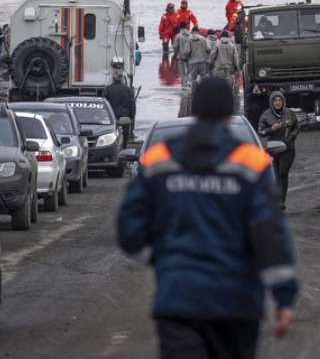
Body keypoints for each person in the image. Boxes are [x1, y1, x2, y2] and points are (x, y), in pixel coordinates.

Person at [117, 78, 298, 359]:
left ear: (195, 110)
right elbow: (269, 234)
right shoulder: (250, 163)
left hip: (178, 301)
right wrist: (284, 298)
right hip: (237, 303)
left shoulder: (160, 159)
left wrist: (160, 258)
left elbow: (129, 225)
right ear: (230, 113)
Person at [257, 91, 299, 211]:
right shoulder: (266, 115)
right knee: (275, 175)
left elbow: (297, 127)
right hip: (273, 149)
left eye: (280, 100)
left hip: (288, 148)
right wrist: (271, 129)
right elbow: (261, 131)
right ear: (271, 102)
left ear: (283, 101)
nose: (278, 103)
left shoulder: (289, 113)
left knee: (283, 173)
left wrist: (292, 136)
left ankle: (281, 200)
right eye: (275, 100)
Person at [102, 70, 136, 145]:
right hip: (125, 116)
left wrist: (104, 117)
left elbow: (104, 105)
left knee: (111, 135)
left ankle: (113, 146)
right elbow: (132, 105)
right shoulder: (128, 90)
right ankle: (124, 146)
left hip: (112, 117)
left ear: (113, 79)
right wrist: (131, 116)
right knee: (125, 135)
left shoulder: (108, 89)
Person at [172, 22, 192, 88]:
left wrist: (176, 52)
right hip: (189, 56)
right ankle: (190, 83)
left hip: (180, 56)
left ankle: (184, 85)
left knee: (183, 72)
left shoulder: (178, 36)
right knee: (189, 71)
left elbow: (175, 46)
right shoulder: (190, 35)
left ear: (180, 28)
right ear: (186, 27)